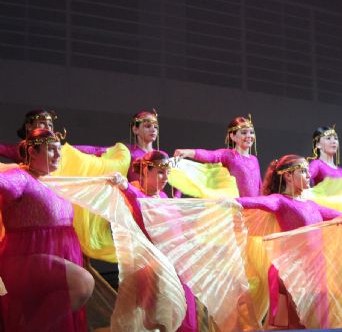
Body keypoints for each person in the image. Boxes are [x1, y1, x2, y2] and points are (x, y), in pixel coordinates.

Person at [0, 128, 94, 331]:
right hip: (26, 259)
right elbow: (4, 182)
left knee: (55, 307)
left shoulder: (54, 183)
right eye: (51, 150)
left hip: (60, 256)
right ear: (32, 152)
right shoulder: (21, 177)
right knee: (83, 283)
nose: (59, 155)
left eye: (59, 149)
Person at [237, 155, 342, 328]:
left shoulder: (312, 205)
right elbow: (251, 202)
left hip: (315, 272)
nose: (309, 176)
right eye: (303, 171)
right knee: (295, 325)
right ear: (288, 175)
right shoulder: (280, 201)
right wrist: (228, 202)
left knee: (317, 324)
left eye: (308, 172)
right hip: (292, 271)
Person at [117, 151, 198, 332]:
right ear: (146, 171)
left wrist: (176, 197)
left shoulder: (161, 196)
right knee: (159, 320)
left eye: (168, 173)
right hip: (154, 266)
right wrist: (124, 187)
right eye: (161, 172)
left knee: (183, 316)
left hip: (175, 262)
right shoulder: (136, 194)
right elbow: (141, 203)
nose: (165, 178)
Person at [174, 115, 261, 197]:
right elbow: (210, 155)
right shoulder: (228, 155)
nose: (249, 136)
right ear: (232, 136)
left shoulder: (254, 159)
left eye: (251, 132)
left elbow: (260, 186)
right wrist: (188, 152)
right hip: (237, 208)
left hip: (255, 209)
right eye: (244, 133)